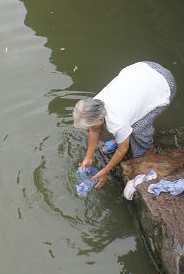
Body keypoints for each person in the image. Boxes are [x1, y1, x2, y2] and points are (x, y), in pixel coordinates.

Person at [73, 61, 176, 189]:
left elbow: (123, 149)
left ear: (100, 119)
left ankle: (149, 151)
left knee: (138, 129)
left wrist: (105, 171)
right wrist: (88, 157)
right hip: (144, 70)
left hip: (164, 84)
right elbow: (94, 130)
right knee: (126, 127)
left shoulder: (117, 121)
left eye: (92, 125)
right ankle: (122, 138)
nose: (91, 128)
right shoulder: (94, 103)